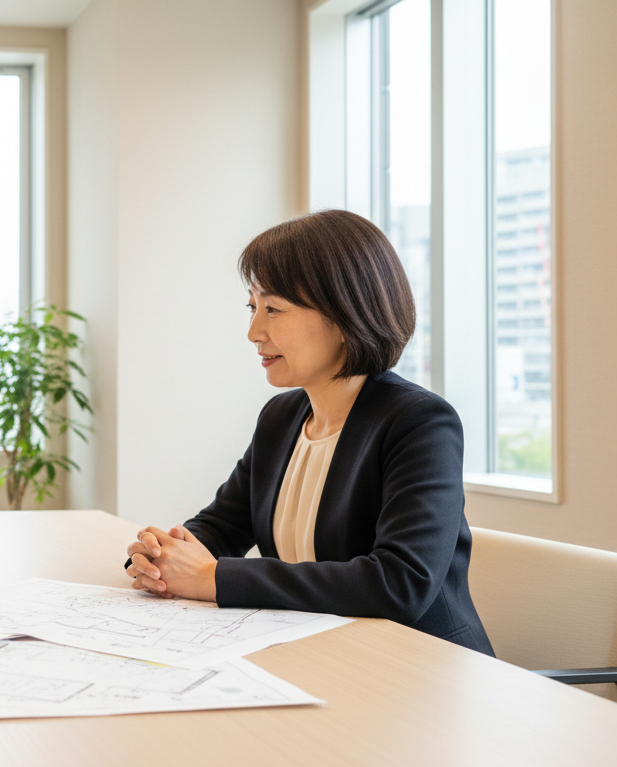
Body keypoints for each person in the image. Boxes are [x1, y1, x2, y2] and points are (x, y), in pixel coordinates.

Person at [124, 209, 493, 656]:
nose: (253, 332)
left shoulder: (419, 422)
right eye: (252, 308)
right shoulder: (282, 417)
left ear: (343, 316)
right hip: (319, 651)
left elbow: (400, 583)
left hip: (418, 666)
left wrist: (211, 578)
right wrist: (162, 556)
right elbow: (223, 526)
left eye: (273, 309)